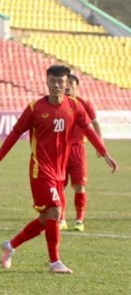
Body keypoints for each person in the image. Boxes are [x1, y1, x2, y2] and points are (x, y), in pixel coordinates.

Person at [0, 65, 117, 274]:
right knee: (56, 211)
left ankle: (10, 246)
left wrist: (105, 153)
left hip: (59, 170)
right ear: (47, 82)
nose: (57, 85)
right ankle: (54, 261)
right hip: (40, 170)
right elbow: (14, 134)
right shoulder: (35, 108)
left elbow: (89, 130)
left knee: (46, 218)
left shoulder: (74, 106)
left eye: (61, 81)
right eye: (53, 81)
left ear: (67, 84)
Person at [59, 74, 102, 232]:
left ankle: (79, 220)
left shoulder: (85, 103)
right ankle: (61, 219)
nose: (68, 86)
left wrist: (99, 145)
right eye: (66, 83)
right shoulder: (58, 104)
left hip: (78, 149)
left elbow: (95, 123)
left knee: (80, 186)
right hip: (60, 151)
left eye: (71, 83)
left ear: (77, 86)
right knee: (59, 185)